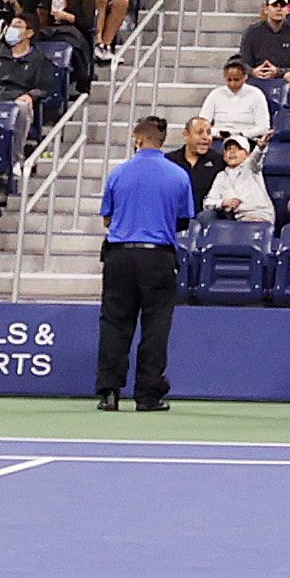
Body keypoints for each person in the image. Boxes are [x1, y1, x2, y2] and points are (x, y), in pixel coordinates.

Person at [94, 115, 194, 413]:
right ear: (162, 140)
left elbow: (107, 218)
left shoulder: (118, 173)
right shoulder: (178, 176)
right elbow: (183, 220)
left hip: (120, 254)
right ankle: (147, 396)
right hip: (158, 256)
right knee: (156, 326)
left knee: (114, 322)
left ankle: (109, 393)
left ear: (137, 139)